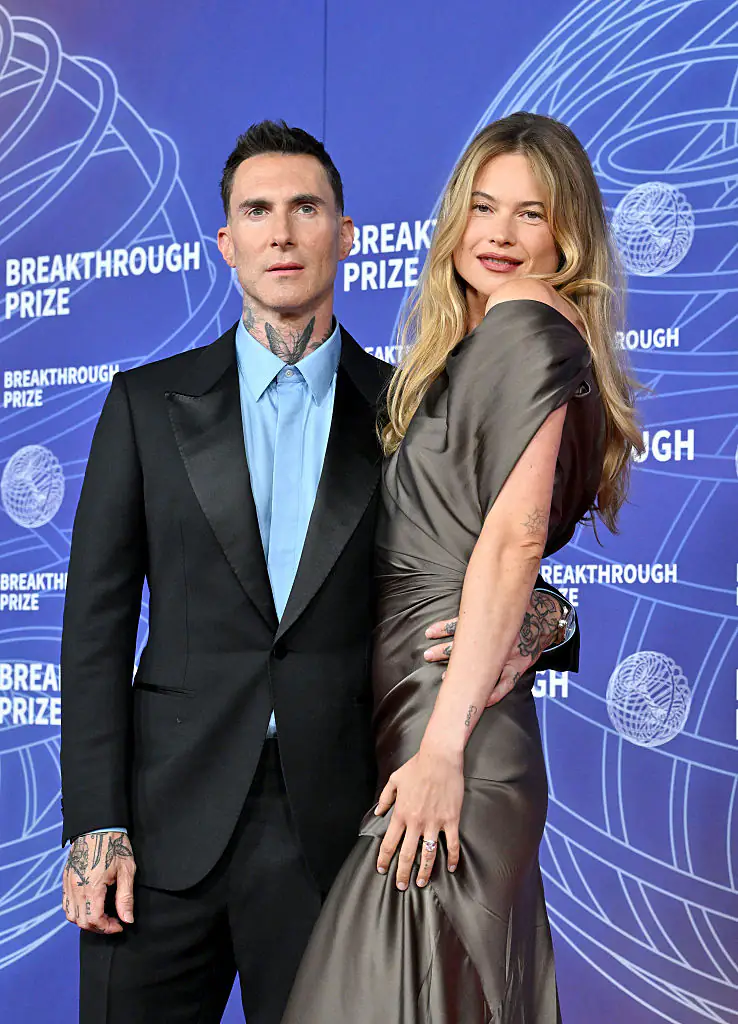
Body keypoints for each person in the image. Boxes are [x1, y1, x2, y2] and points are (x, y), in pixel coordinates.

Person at [59, 121, 577, 1024]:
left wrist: (548, 624)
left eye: (307, 208)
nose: (282, 232)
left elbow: (483, 563)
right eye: (256, 211)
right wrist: (95, 825)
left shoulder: (411, 410)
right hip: (161, 837)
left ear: (346, 234)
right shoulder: (145, 404)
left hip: (337, 833)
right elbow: (94, 629)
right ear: (227, 242)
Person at [282, 111, 642, 1023]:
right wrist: (545, 621)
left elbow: (515, 541)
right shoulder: (476, 351)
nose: (503, 235)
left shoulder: (526, 322)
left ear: (568, 235)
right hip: (435, 714)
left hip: (452, 737)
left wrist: (442, 749)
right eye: (485, 207)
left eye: (533, 214)